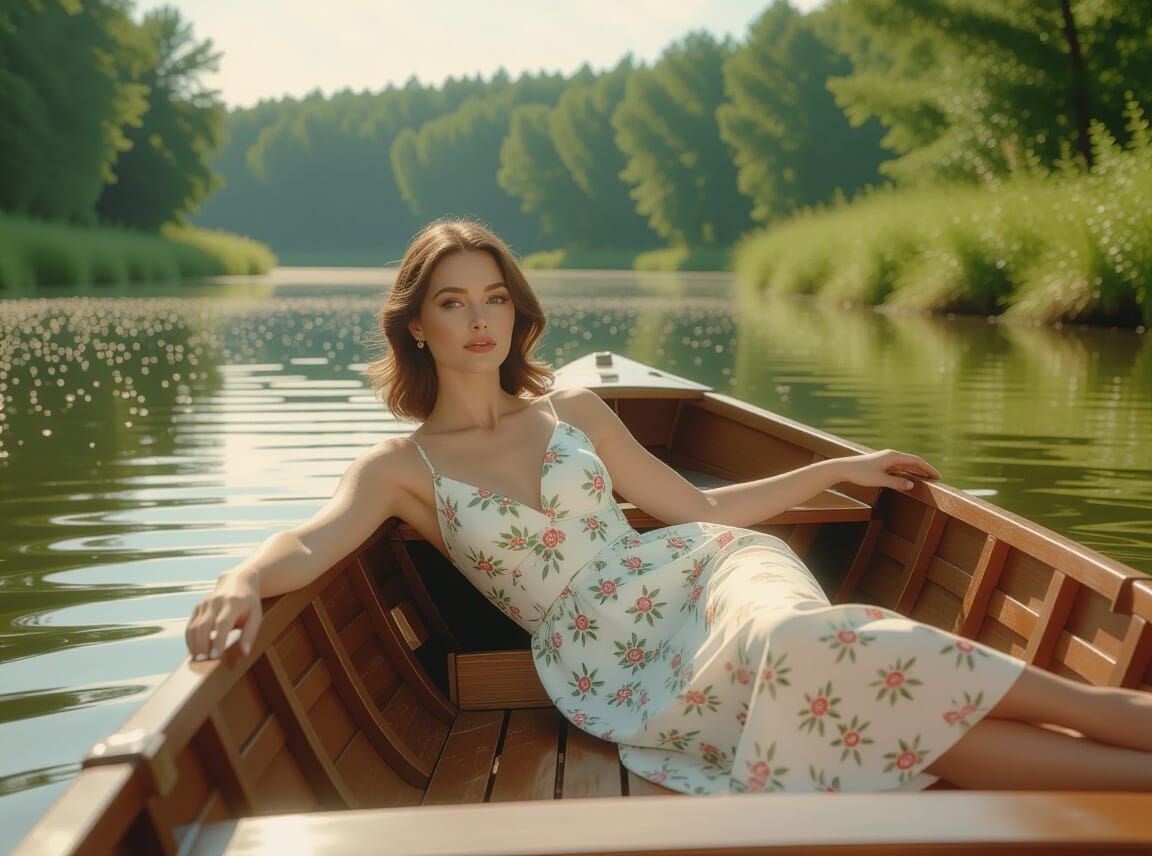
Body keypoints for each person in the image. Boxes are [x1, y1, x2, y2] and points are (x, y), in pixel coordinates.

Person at [185, 217, 1152, 795]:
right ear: (417, 322)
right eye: (453, 301)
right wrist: (237, 578)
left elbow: (697, 511)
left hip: (706, 573)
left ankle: (1110, 715)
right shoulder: (401, 468)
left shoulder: (572, 408)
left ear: (518, 311)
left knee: (803, 650)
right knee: (830, 700)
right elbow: (304, 544)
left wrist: (829, 472)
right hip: (606, 659)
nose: (479, 320)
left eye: (494, 298)